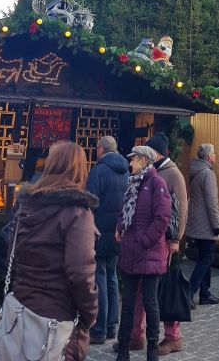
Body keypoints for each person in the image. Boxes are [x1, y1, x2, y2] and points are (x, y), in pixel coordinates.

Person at [12, 141, 98, 361]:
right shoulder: (77, 212)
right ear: (80, 169)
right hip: (58, 317)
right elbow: (80, 273)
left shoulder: (26, 205)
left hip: (22, 308)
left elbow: (10, 255)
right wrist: (90, 313)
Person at [123, 132, 188, 356]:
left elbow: (180, 209)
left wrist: (176, 240)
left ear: (155, 153)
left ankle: (173, 337)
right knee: (143, 292)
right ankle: (135, 335)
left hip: (165, 243)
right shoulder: (152, 174)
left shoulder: (172, 174)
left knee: (165, 291)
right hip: (149, 245)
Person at [115, 146, 171, 361]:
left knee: (150, 301)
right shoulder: (132, 185)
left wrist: (144, 241)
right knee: (128, 302)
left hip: (148, 253)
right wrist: (120, 227)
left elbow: (162, 218)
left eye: (134, 160)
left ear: (144, 160)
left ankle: (152, 350)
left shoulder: (157, 183)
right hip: (130, 252)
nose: (131, 164)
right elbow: (123, 211)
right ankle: (123, 348)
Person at [86, 136, 129, 345]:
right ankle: (113, 325)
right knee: (112, 278)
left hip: (100, 232)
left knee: (100, 278)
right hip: (119, 233)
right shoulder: (127, 171)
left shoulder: (98, 171)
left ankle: (100, 328)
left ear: (101, 149)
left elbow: (90, 202)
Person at [186, 143, 219, 307]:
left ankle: (205, 292)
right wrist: (217, 224)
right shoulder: (208, 174)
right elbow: (212, 202)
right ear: (208, 156)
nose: (215, 156)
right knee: (207, 258)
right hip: (206, 223)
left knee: (204, 257)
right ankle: (189, 291)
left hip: (196, 222)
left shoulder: (195, 172)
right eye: (214, 153)